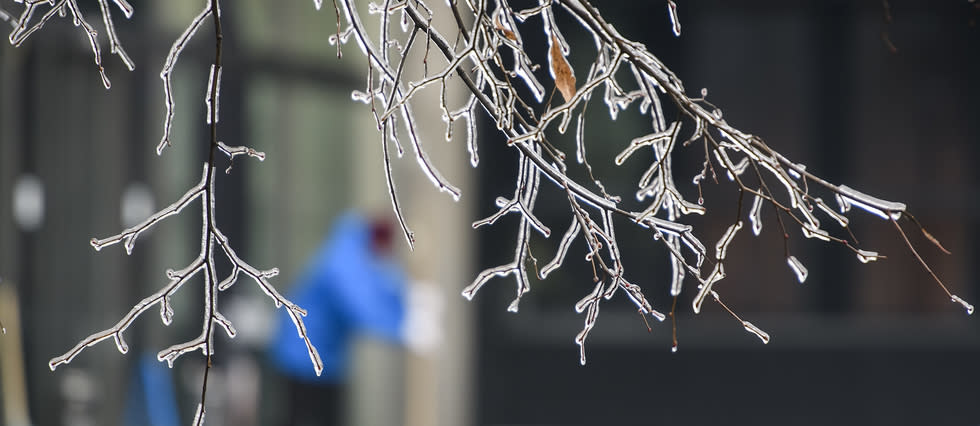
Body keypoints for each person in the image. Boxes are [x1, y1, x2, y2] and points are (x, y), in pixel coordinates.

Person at [267, 212, 406, 426]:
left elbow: (381, 287)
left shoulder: (354, 253)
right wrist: (402, 327)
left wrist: (406, 305)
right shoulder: (346, 260)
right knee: (303, 418)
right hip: (305, 358)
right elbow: (360, 305)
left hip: (320, 357)